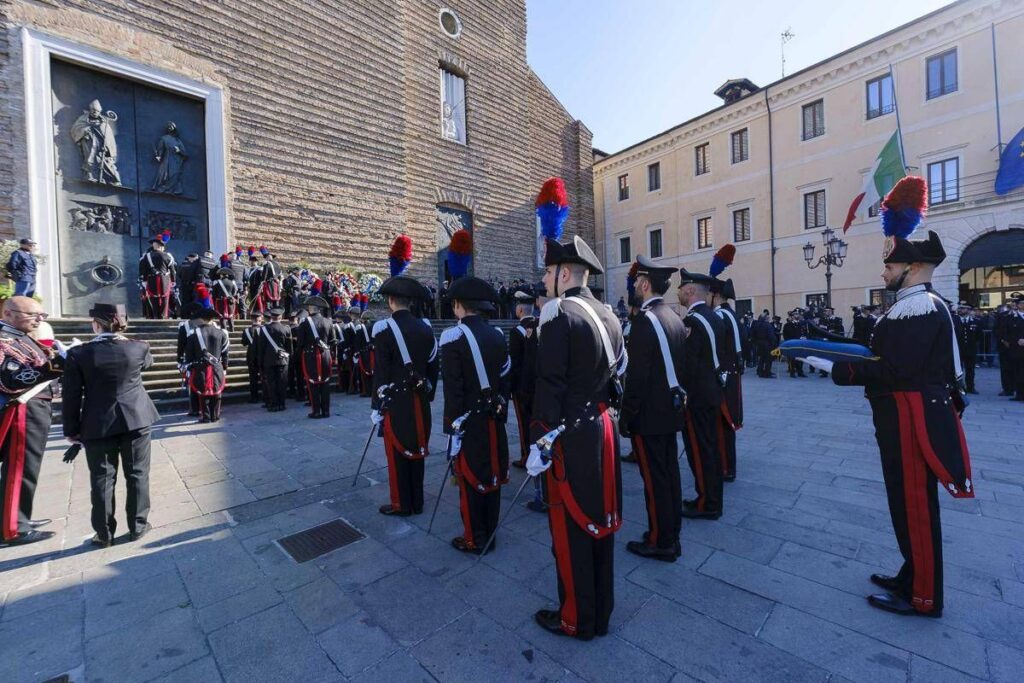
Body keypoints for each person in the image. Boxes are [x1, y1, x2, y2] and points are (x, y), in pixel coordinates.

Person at [804, 177, 973, 618]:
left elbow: (893, 368)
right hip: (901, 419)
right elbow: (883, 353)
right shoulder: (913, 305)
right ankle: (910, 573)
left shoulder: (920, 307)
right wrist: (829, 347)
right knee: (904, 502)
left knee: (915, 506)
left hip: (911, 421)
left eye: (890, 267)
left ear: (912, 269)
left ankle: (923, 596)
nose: (884, 273)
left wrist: (835, 367)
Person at [527, 235, 626, 641]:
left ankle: (576, 617)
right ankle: (600, 610)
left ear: (564, 273)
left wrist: (538, 441)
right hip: (603, 427)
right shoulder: (610, 314)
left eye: (549, 272)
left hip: (569, 433)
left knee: (569, 529)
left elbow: (549, 385)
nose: (546, 280)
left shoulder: (558, 312)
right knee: (599, 525)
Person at [62, 303, 160, 546]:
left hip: (98, 422)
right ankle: (138, 526)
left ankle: (104, 533)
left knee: (102, 478)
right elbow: (147, 364)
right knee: (137, 473)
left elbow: (71, 395)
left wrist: (71, 430)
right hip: (136, 419)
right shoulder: (139, 347)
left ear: (96, 324)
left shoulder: (79, 354)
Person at [618, 255, 685, 562]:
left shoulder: (646, 321)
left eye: (635, 282)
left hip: (649, 414)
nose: (633, 286)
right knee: (669, 475)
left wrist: (626, 417)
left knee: (655, 481)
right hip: (669, 411)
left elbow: (638, 378)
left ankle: (661, 541)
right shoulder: (672, 316)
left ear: (645, 284)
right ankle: (670, 534)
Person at [440, 276, 510, 554]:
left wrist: (451, 428)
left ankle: (475, 537)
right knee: (492, 475)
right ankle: (490, 532)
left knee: (470, 479)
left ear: (458, 306)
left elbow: (453, 389)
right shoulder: (497, 335)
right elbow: (505, 376)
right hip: (493, 417)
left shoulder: (453, 337)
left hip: (468, 420)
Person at [371, 276, 439, 515]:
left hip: (396, 401)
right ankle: (417, 501)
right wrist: (427, 396)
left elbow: (381, 372)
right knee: (417, 451)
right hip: (419, 400)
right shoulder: (426, 329)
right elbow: (433, 367)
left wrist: (376, 405)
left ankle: (402, 503)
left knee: (397, 453)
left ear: (391, 301)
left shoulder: (383, 329)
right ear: (410, 302)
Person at [0, 296, 63, 545]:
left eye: (42, 315)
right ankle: (15, 528)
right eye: (32, 315)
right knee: (20, 468)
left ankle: (16, 516)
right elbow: (12, 380)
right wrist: (57, 365)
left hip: (35, 406)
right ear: (8, 314)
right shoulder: (5, 341)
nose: (39, 319)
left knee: (27, 467)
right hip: (23, 409)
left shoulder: (20, 336)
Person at [677, 267, 727, 519]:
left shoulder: (691, 322)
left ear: (690, 290)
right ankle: (712, 498)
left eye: (681, 288)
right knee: (711, 448)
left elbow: (687, 366)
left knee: (700, 450)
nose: (678, 293)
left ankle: (707, 503)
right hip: (713, 392)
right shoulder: (714, 317)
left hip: (697, 397)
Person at [712, 277, 743, 482]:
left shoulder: (720, 316)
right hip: (732, 373)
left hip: (724, 375)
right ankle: (727, 465)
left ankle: (725, 467)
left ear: (716, 295)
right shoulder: (730, 313)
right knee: (726, 424)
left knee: (723, 424)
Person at [509, 290, 539, 469]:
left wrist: (512, 387)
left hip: (522, 386)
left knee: (524, 422)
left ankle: (526, 455)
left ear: (520, 310)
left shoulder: (516, 332)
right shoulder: (540, 325)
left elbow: (515, 363)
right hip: (538, 384)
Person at [183, 306, 229, 423]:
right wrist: (225, 367)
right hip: (217, 366)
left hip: (200, 367)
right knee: (217, 391)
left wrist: (189, 366)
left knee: (203, 392)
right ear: (212, 319)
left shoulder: (193, 335)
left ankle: (206, 416)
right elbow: (225, 353)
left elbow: (189, 354)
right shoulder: (221, 333)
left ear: (201, 319)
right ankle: (216, 415)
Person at [295, 296, 336, 418]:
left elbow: (300, 343)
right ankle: (326, 411)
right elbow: (333, 341)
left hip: (311, 356)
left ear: (310, 308)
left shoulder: (305, 322)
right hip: (326, 355)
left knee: (313, 384)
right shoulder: (328, 321)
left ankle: (316, 411)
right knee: (325, 383)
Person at [258, 307, 291, 412]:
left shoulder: (263, 329)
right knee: (282, 382)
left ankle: (273, 404)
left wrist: (261, 362)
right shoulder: (286, 329)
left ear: (271, 317)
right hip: (283, 359)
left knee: (271, 383)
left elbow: (261, 348)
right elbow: (289, 348)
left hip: (268, 360)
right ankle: (282, 404)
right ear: (281, 317)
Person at [138, 235, 175, 319]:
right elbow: (172, 269)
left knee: (153, 298)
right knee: (165, 298)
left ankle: (155, 315)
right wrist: (173, 280)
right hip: (165, 279)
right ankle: (163, 315)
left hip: (152, 279)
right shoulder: (168, 256)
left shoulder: (147, 256)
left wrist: (144, 280)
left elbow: (143, 269)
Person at [241, 310, 264, 404]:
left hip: (251, 356)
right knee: (264, 377)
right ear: (260, 319)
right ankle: (266, 396)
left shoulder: (246, 330)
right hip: (262, 355)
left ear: (251, 319)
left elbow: (244, 343)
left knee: (253, 378)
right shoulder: (264, 329)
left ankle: (254, 397)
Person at [750, 312, 777, 378]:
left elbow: (752, 334)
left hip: (759, 344)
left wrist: (756, 342)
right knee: (768, 359)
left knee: (762, 358)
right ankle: (767, 373)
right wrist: (774, 344)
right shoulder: (768, 325)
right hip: (767, 344)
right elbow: (771, 336)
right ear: (765, 319)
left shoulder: (756, 325)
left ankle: (760, 371)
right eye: (768, 318)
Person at [782, 311, 809, 377]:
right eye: (795, 314)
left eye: (798, 314)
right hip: (792, 345)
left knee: (800, 359)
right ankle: (792, 372)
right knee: (792, 359)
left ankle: (800, 372)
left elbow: (805, 333)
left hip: (800, 344)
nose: (797, 315)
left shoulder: (801, 324)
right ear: (792, 316)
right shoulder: (788, 325)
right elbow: (786, 335)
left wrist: (805, 337)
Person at [212, 268, 239, 332]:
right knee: (230, 316)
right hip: (230, 302)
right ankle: (232, 330)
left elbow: (214, 294)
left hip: (221, 302)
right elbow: (234, 293)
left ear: (222, 275)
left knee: (222, 317)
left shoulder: (217, 283)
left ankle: (224, 331)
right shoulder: (232, 283)